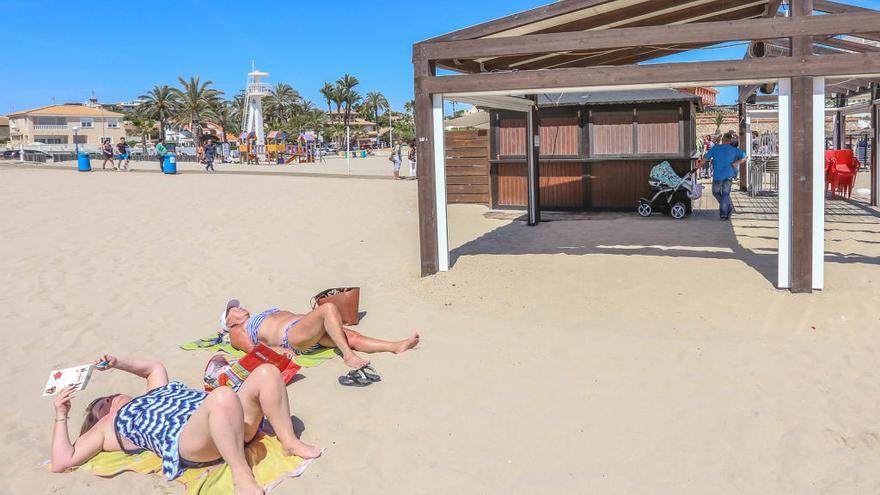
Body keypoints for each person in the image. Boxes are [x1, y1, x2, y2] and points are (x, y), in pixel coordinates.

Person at [49, 355, 320, 495]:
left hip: (231, 421)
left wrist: (117, 363)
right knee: (223, 396)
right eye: (102, 406)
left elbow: (153, 367)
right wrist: (61, 413)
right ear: (100, 418)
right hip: (192, 441)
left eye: (107, 397)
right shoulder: (110, 426)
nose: (109, 401)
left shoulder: (155, 391)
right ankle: (242, 475)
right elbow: (63, 460)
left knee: (267, 372)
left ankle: (290, 442)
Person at [221, 299, 419, 371]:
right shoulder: (237, 330)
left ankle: (395, 346)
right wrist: (275, 349)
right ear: (229, 322)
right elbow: (251, 350)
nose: (238, 308)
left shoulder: (261, 314)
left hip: (306, 329)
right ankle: (348, 357)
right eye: (233, 310)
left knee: (351, 336)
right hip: (291, 337)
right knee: (328, 309)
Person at [698, 133, 747, 221]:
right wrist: (736, 163)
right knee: (725, 195)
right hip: (728, 175)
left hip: (717, 176)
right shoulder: (734, 149)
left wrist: (697, 167)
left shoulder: (715, 148)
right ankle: (726, 208)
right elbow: (745, 156)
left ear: (723, 139)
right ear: (730, 140)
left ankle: (724, 213)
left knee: (716, 192)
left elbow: (705, 159)